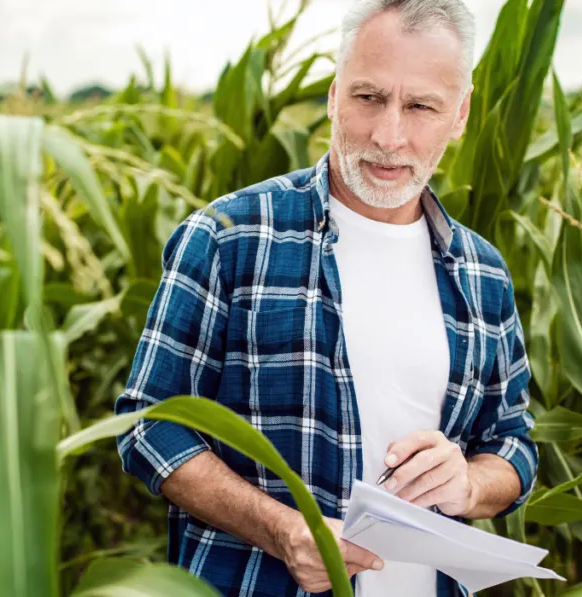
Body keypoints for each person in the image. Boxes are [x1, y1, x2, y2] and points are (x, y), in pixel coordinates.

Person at [113, 0, 538, 595]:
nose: (390, 135)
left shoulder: (482, 273)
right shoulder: (229, 237)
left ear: (460, 114)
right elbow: (147, 425)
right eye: (369, 98)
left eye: (420, 106)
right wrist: (284, 530)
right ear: (335, 95)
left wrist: (469, 483)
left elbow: (513, 444)